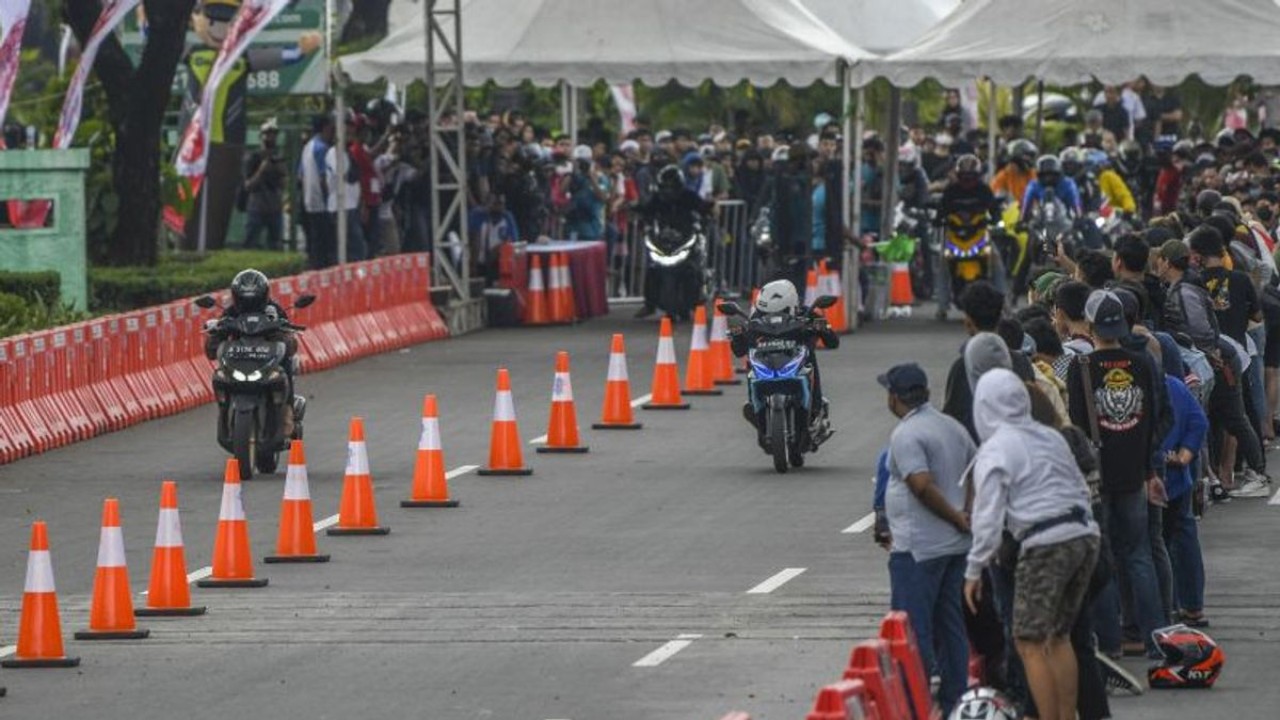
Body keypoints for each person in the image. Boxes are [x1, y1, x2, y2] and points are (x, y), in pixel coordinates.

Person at [966, 369, 1101, 720]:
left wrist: (974, 568)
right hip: (1084, 535)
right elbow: (1079, 485)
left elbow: (987, 517)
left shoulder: (995, 449)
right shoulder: (1049, 435)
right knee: (1059, 637)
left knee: (1028, 641)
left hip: (1044, 543)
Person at [1066, 290, 1166, 658]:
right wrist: (1150, 470)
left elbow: (1077, 425)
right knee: (1139, 556)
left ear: (1090, 326)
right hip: (1136, 474)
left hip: (1097, 477)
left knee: (1102, 558)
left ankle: (1110, 645)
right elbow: (1152, 418)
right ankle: (1158, 639)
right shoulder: (1142, 363)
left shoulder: (1082, 369)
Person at [878, 362, 975, 715]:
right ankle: (955, 700)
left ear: (895, 398)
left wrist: (957, 517)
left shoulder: (906, 435)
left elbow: (920, 485)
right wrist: (968, 513)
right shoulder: (952, 427)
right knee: (951, 626)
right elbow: (975, 470)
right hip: (954, 548)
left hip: (919, 549)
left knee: (913, 631)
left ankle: (915, 703)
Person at [729, 279, 839, 442]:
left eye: (780, 312)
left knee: (810, 356)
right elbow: (739, 350)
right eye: (767, 313)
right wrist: (737, 336)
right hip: (766, 365)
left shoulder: (805, 313)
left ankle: (815, 409)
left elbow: (833, 342)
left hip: (797, 364)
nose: (773, 317)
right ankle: (756, 406)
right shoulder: (756, 318)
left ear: (791, 305)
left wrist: (823, 328)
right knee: (750, 365)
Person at [204, 269, 304, 435]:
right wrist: (214, 333)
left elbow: (290, 344)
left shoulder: (274, 309)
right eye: (244, 299)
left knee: (286, 365)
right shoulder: (230, 312)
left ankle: (287, 410)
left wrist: (281, 331)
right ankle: (225, 412)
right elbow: (212, 350)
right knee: (219, 376)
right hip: (238, 361)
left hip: (268, 360)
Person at [632, 165, 711, 318]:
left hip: (686, 236)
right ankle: (650, 304)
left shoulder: (688, 196)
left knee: (696, 265)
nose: (668, 190)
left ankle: (698, 297)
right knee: (653, 268)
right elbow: (647, 209)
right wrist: (636, 209)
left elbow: (703, 207)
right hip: (664, 239)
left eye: (671, 186)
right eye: (665, 186)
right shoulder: (657, 197)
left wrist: (710, 209)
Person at [943, 281, 1006, 440]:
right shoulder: (1022, 361)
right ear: (1000, 318)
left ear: (968, 323)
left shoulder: (961, 367)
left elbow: (952, 419)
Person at [242, 118, 287, 250]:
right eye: (267, 134)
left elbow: (283, 184)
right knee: (250, 243)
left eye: (273, 134)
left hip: (274, 207)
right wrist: (261, 170)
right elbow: (248, 185)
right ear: (261, 136)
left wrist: (281, 171)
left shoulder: (278, 157)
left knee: (276, 244)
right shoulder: (253, 157)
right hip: (257, 207)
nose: (270, 137)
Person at [300, 115, 334, 268]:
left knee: (314, 244)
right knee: (324, 245)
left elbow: (300, 176)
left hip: (309, 201)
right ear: (326, 127)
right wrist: (331, 199)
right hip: (321, 203)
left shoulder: (307, 147)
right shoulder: (322, 148)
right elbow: (323, 177)